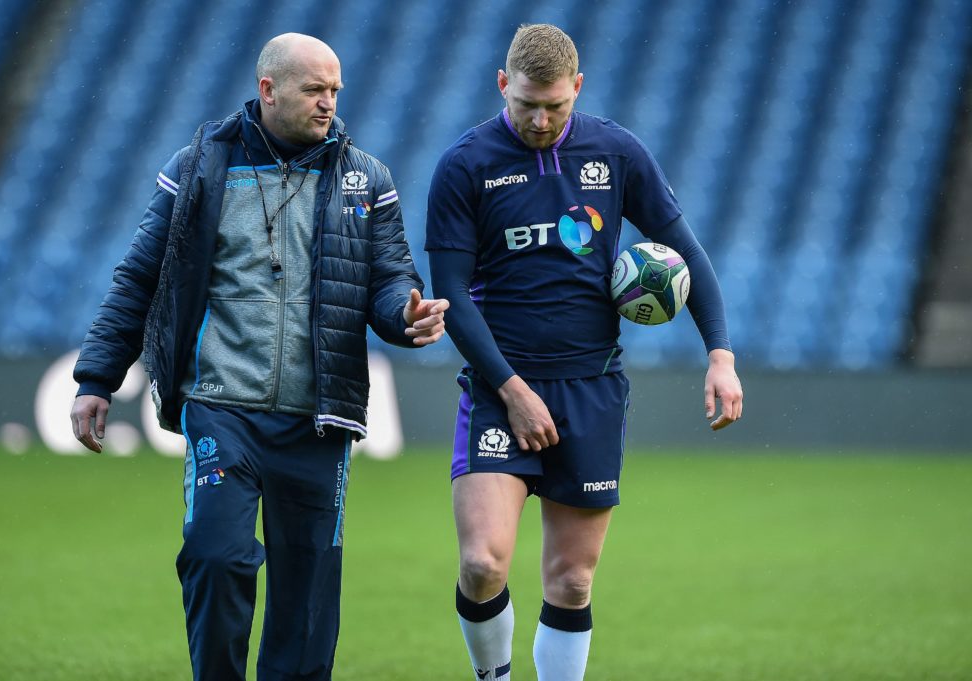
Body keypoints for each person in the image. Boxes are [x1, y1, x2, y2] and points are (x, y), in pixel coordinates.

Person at [69, 33, 448, 681]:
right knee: (217, 557)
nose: (329, 103)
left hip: (319, 416)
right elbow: (140, 276)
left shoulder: (367, 179)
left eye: (335, 91)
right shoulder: (198, 167)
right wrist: (97, 377)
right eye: (315, 90)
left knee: (306, 601)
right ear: (268, 89)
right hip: (222, 407)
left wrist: (406, 316)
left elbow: (388, 280)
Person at [425, 24, 743, 681]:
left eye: (555, 106)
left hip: (590, 390)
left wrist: (721, 354)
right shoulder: (465, 166)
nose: (540, 120)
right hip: (498, 389)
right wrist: (512, 390)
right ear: (502, 85)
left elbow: (688, 252)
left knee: (571, 580)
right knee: (484, 562)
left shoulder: (616, 153)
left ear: (578, 88)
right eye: (526, 105)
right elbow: (451, 291)